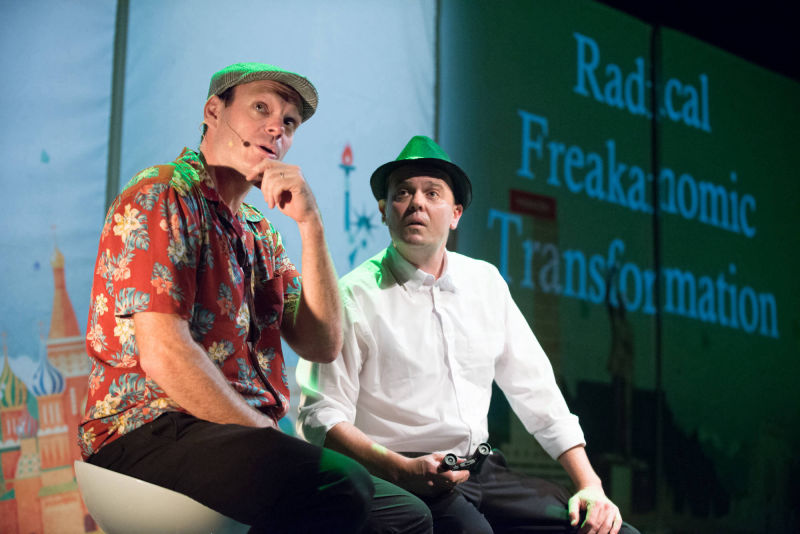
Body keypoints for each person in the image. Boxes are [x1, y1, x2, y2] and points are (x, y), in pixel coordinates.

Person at [78, 62, 428, 533]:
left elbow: (322, 343)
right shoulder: (163, 192)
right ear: (213, 112)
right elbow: (165, 354)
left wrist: (311, 224)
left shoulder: (258, 231)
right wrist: (263, 432)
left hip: (233, 439)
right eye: (261, 108)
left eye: (289, 122)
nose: (276, 128)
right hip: (150, 429)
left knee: (407, 517)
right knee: (340, 485)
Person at [297, 135, 640, 533]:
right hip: (398, 474)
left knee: (611, 530)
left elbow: (536, 391)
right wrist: (400, 469)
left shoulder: (485, 282)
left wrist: (590, 485)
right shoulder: (352, 295)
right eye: (402, 193)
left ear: (455, 214)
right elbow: (320, 415)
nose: (417, 203)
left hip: (481, 470)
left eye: (432, 193)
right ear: (383, 211)